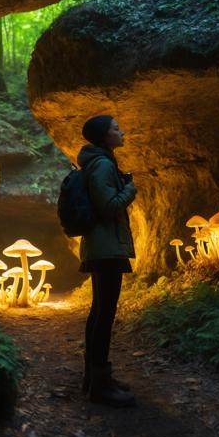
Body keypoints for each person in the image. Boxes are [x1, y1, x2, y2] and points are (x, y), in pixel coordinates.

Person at [77, 114, 137, 407]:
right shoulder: (101, 165)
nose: (121, 131)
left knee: (99, 313)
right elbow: (108, 206)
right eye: (116, 128)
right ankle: (100, 386)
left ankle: (94, 378)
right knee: (104, 315)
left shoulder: (97, 162)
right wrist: (129, 189)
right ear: (104, 136)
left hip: (101, 248)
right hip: (106, 250)